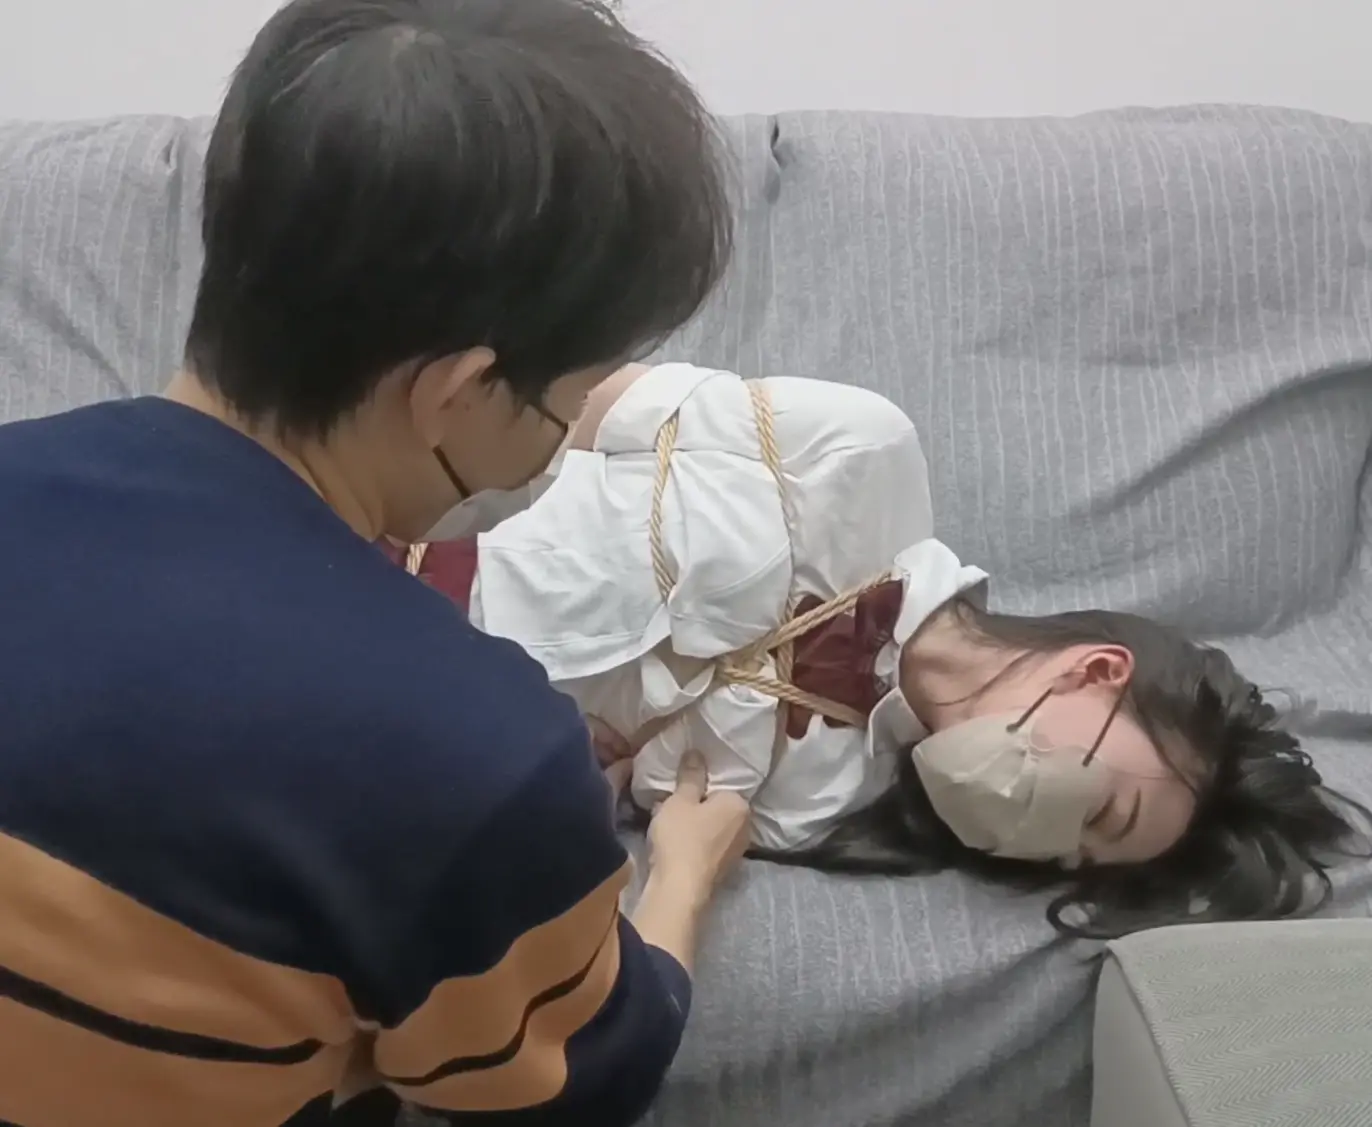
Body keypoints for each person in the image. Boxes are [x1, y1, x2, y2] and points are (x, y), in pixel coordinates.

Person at [0, 3, 748, 1126]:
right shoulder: (476, 751)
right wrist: (679, 873)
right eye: (572, 400)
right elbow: (577, 1084)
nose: (567, 437)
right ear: (459, 391)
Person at [424, 360, 1367, 940]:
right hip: (401, 563)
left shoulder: (813, 805)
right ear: (1096, 671)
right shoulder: (859, 457)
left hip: (432, 751)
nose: (1049, 839)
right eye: (1101, 811)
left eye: (1074, 857)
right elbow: (566, 408)